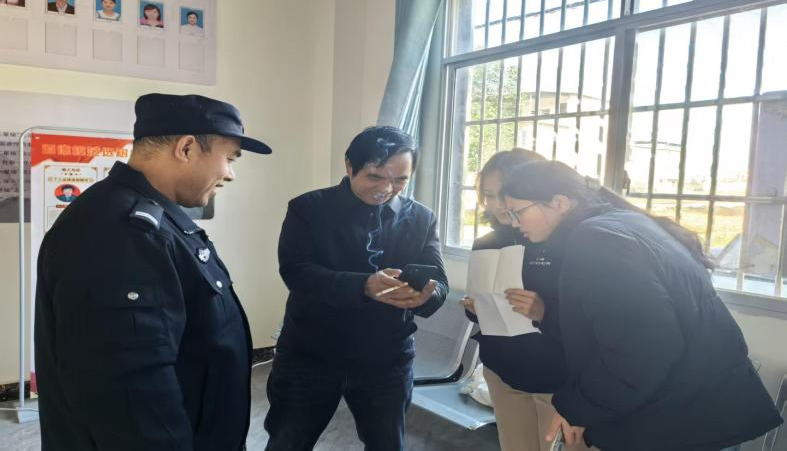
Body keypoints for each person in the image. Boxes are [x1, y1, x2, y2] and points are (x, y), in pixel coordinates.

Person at [35, 93, 273, 450]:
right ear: (186, 148)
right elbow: (133, 397)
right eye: (229, 158)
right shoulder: (120, 232)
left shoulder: (148, 218)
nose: (230, 174)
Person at [501, 160, 784, 451]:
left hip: (678, 417)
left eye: (518, 212)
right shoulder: (619, 223)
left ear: (559, 203)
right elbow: (616, 324)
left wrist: (578, 405)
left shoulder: (596, 240)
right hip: (690, 407)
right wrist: (547, 315)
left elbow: (641, 349)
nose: (514, 223)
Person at [265, 126, 449, 451]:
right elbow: (296, 272)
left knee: (386, 444)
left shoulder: (422, 218)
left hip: (386, 358)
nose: (386, 189)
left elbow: (440, 283)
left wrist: (426, 295)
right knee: (288, 441)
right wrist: (364, 285)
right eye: (375, 177)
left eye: (400, 180)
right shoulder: (308, 208)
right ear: (350, 166)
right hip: (310, 353)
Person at [460, 149, 593, 451]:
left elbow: (593, 320)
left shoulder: (568, 240)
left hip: (557, 378)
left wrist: (544, 311)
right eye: (489, 196)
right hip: (503, 371)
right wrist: (476, 308)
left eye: (505, 195)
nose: (499, 205)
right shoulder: (487, 243)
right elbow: (481, 310)